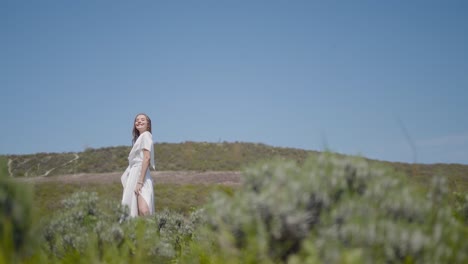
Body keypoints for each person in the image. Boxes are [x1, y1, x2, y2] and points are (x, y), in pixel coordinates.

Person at [121, 113, 155, 217]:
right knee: (138, 211)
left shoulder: (146, 135)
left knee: (143, 209)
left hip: (141, 175)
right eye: (137, 120)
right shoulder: (140, 138)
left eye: (142, 119)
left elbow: (146, 158)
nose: (139, 121)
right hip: (135, 174)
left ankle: (152, 232)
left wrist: (140, 181)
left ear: (148, 124)